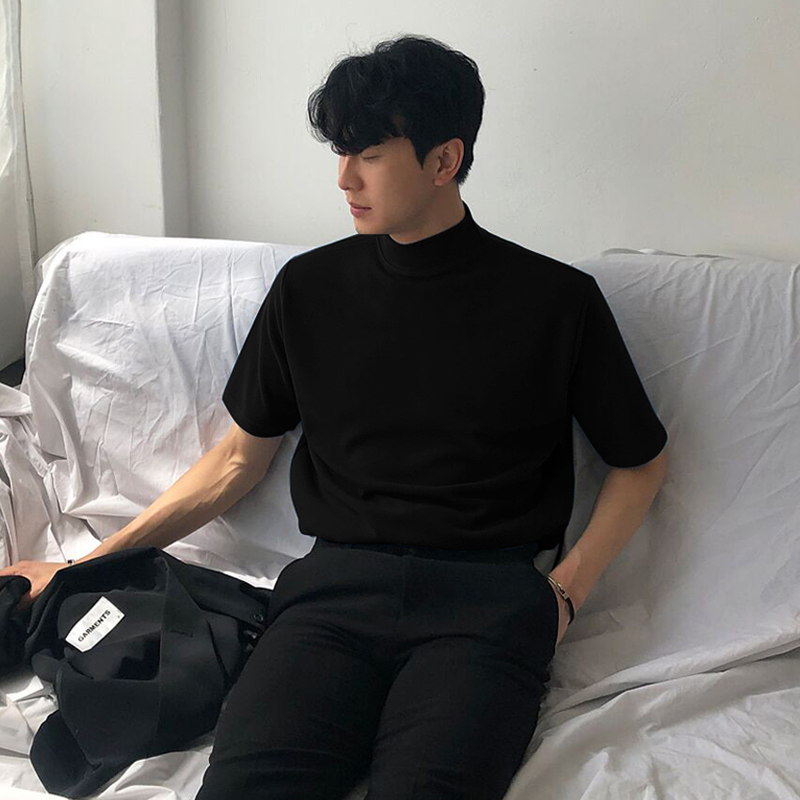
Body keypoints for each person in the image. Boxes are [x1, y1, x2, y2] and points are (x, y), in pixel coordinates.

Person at [1, 33, 668, 800]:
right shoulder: (308, 289)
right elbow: (235, 462)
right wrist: (84, 568)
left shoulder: (554, 302)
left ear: (444, 160)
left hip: (486, 607)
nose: (345, 178)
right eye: (341, 152)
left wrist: (567, 593)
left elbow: (641, 460)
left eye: (370, 155)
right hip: (329, 602)